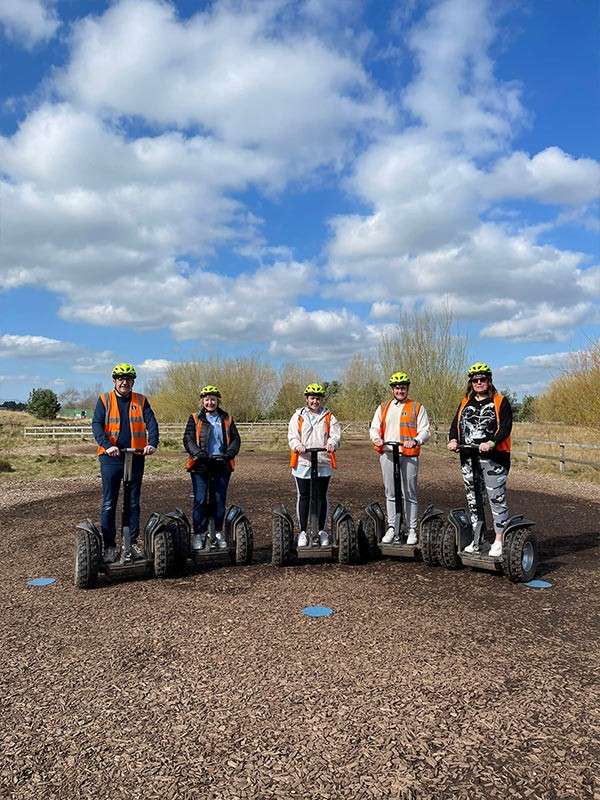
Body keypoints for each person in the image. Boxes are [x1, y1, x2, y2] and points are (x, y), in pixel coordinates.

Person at [91, 363, 159, 563]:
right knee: (109, 502)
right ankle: (110, 546)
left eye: (128, 378)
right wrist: (106, 445)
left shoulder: (141, 400)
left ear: (133, 381)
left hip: (136, 456)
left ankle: (131, 543)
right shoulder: (105, 399)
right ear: (114, 381)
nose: (124, 382)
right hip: (111, 457)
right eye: (120, 378)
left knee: (133, 501)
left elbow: (152, 422)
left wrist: (152, 443)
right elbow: (96, 424)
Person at [447, 362, 513, 558]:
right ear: (471, 382)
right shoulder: (465, 402)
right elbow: (455, 425)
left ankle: (499, 540)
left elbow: (505, 427)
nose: (478, 382)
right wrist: (452, 440)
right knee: (473, 499)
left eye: (482, 379)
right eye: (475, 380)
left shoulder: (500, 401)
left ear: (489, 380)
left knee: (496, 499)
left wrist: (492, 442)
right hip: (468, 456)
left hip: (493, 458)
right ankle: (479, 538)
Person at [369, 371, 431, 545]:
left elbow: (425, 430)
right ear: (392, 389)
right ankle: (392, 526)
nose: (400, 390)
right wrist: (377, 439)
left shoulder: (417, 407)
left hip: (408, 454)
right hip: (388, 453)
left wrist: (416, 440)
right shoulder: (383, 407)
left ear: (407, 388)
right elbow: (374, 428)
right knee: (391, 492)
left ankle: (411, 529)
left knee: (409, 492)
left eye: (403, 387)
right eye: (397, 388)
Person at [183, 385, 241, 550]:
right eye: (207, 399)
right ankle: (199, 534)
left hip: (221, 463)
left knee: (218, 500)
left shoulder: (227, 418)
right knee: (200, 499)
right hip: (201, 464)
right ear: (202, 401)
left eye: (213, 399)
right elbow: (188, 439)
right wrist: (197, 452)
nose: (210, 402)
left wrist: (229, 453)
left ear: (218, 401)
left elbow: (236, 439)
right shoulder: (195, 418)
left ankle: (217, 531)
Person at [288, 383, 341, 547]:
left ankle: (321, 531)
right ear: (307, 399)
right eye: (312, 398)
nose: (315, 401)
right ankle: (303, 531)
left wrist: (332, 443)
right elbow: (292, 436)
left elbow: (336, 435)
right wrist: (297, 446)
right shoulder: (298, 416)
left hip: (323, 461)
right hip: (303, 461)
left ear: (321, 399)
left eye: (317, 398)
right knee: (304, 496)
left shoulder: (329, 417)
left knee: (321, 496)